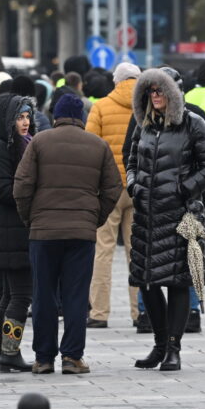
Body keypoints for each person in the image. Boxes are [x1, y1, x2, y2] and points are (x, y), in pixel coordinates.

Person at [14, 94, 122, 375]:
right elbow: (113, 188)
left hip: (43, 233)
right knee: (75, 295)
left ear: (55, 116)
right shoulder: (97, 145)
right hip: (81, 234)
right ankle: (72, 357)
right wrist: (93, 219)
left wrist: (31, 218)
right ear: (82, 117)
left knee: (43, 295)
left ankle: (43, 358)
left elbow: (22, 186)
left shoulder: (39, 142)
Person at [127, 68, 205, 371]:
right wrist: (133, 185)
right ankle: (159, 343)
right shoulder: (144, 125)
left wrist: (184, 188)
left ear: (174, 93)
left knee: (178, 282)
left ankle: (174, 349)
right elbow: (130, 160)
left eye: (161, 90)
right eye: (151, 91)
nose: (155, 96)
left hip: (181, 214)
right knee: (147, 281)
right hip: (147, 215)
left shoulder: (194, 125)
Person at [84, 62, 142, 329]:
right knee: (138, 251)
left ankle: (99, 313)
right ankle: (140, 311)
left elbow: (89, 146)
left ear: (116, 81)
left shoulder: (101, 106)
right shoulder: (148, 106)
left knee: (102, 251)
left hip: (107, 189)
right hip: (139, 186)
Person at [0, 95, 36, 372]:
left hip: (15, 229)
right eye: (19, 117)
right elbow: (0, 190)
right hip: (10, 230)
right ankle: (9, 352)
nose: (25, 122)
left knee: (9, 296)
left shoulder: (23, 144)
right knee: (21, 295)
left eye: (27, 116)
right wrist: (31, 191)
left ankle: (3, 354)